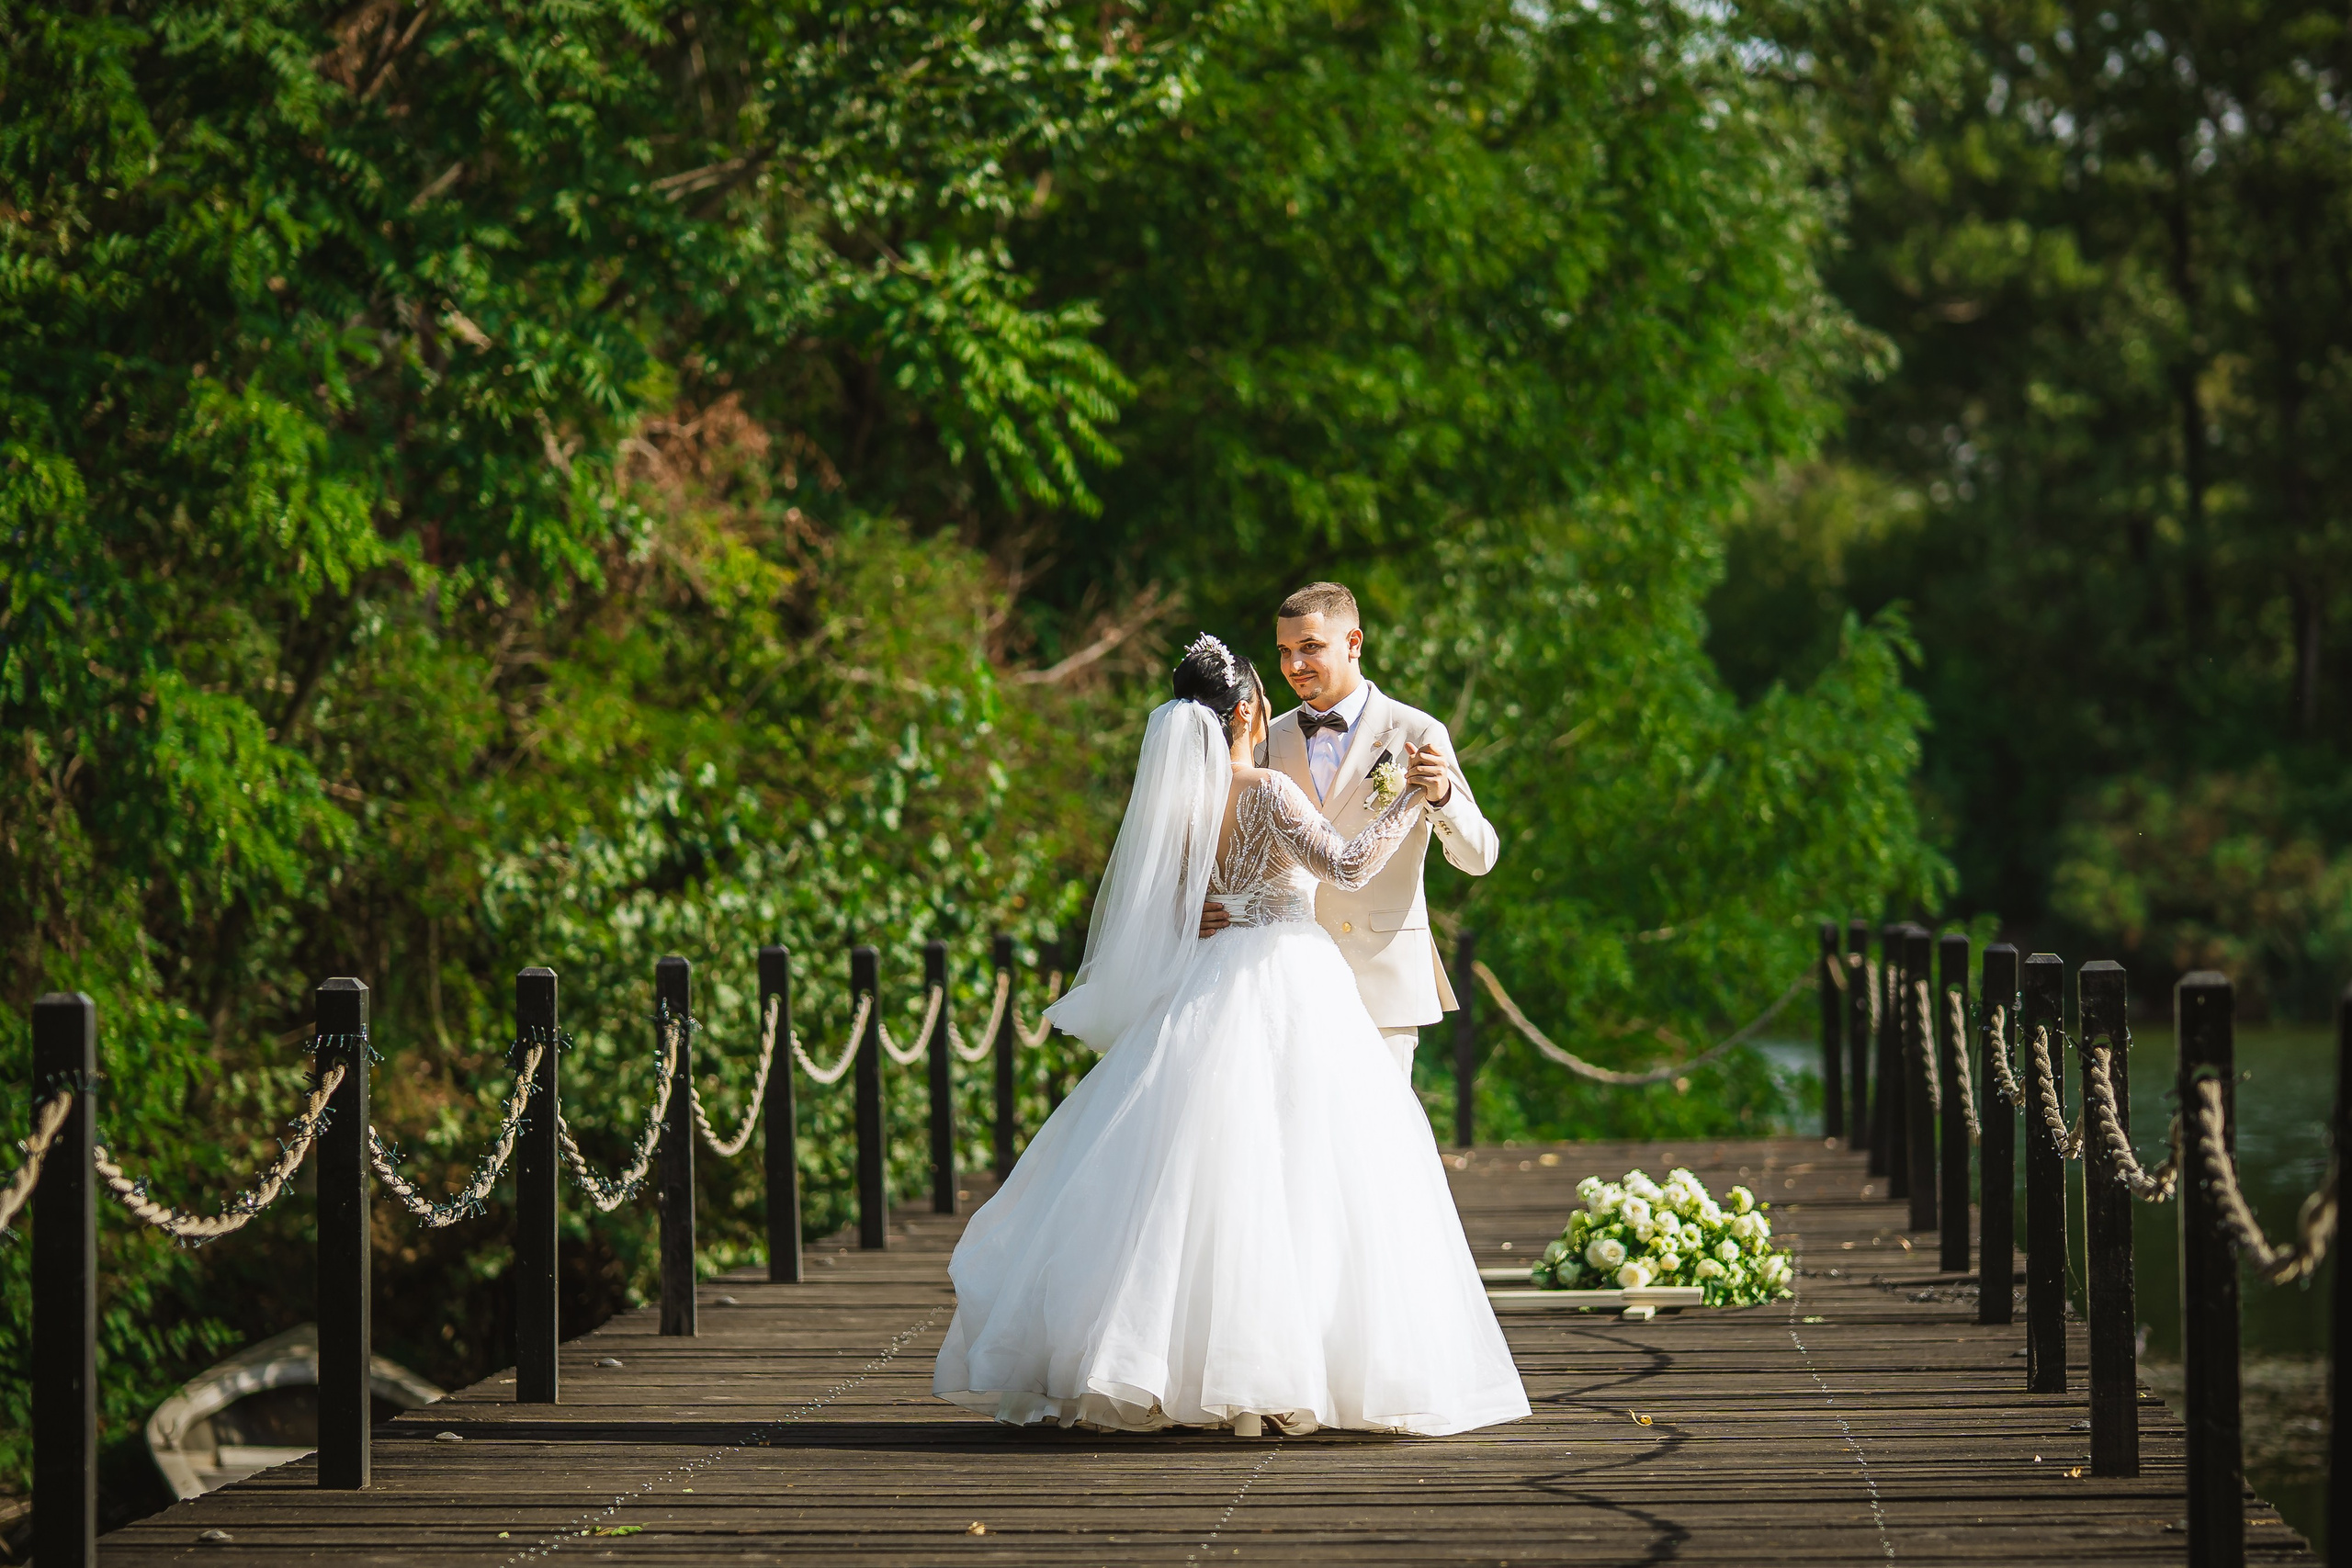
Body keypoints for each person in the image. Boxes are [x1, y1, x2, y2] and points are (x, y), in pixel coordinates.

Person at [933, 635, 1528, 1438]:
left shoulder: (1176, 808)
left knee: (1190, 1175)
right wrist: (1408, 802)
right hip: (1287, 976)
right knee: (1299, 1175)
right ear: (1247, 710)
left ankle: (1161, 1365)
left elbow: (1169, 904)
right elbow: (1348, 868)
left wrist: (1209, 913)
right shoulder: (1272, 791)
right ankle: (1287, 1373)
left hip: (1206, 984)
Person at [1199, 582, 1498, 1074]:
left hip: (1383, 980)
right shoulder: (1264, 740)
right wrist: (1199, 908)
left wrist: (1442, 798)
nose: (1294, 666)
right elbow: (1228, 841)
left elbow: (1480, 856)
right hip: (1283, 980)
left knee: (1378, 1144)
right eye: (1285, 651)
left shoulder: (1417, 731)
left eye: (1310, 648)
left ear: (1354, 643)